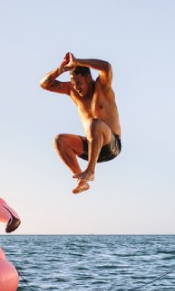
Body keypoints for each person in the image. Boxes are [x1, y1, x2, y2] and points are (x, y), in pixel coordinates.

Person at [40, 52, 122, 194]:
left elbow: (106, 67)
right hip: (91, 146)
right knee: (59, 140)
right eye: (73, 83)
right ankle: (81, 181)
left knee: (94, 124)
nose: (76, 87)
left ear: (88, 78)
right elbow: (44, 84)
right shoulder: (72, 90)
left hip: (111, 145)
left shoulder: (102, 87)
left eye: (79, 83)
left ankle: (90, 171)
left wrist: (78, 61)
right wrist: (60, 70)